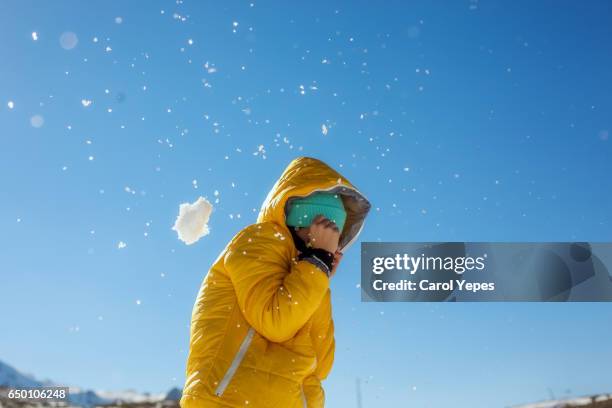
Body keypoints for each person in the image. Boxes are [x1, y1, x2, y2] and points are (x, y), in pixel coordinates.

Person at [180, 156, 371, 408]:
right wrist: (316, 264)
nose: (333, 243)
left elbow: (320, 363)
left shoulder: (307, 270)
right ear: (305, 222)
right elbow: (275, 321)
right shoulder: (260, 239)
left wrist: (319, 271)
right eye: (328, 232)